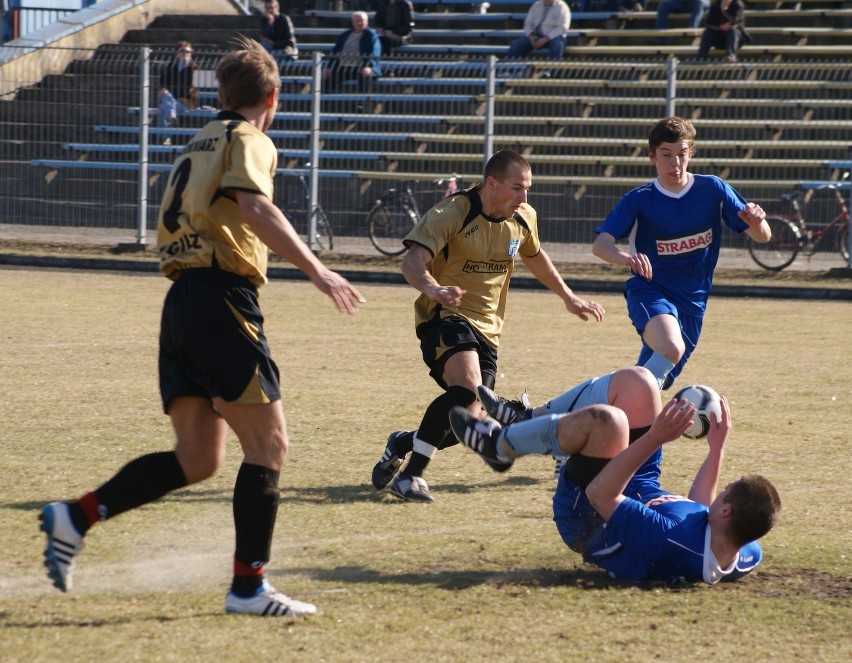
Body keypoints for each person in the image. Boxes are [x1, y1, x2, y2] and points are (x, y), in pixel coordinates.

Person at [38, 37, 366, 617]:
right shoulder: (249, 137)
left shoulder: (198, 138)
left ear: (221, 91)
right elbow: (253, 205)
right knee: (269, 446)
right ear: (274, 97)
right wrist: (319, 270)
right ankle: (248, 590)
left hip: (183, 302)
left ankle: (77, 515)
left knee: (198, 458)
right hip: (222, 300)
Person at [370, 149, 606, 503]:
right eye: (516, 188)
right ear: (491, 183)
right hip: (445, 316)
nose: (523, 197)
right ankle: (411, 477)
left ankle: (402, 442)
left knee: (467, 421)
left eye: (527, 189)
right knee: (468, 390)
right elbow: (412, 262)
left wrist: (569, 297)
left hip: (489, 330)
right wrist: (434, 288)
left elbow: (535, 256)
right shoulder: (452, 212)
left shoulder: (524, 217)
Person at [449, 385, 782, 584]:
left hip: (587, 516)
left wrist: (655, 437)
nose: (719, 491)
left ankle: (499, 444)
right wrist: (716, 448)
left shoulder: (668, 537)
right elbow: (700, 512)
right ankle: (523, 420)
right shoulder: (746, 550)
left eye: (724, 490)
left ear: (725, 510)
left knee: (610, 422)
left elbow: (601, 494)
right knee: (642, 384)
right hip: (638, 483)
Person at [591, 117, 771, 390]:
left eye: (681, 154)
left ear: (690, 154)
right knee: (670, 347)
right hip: (650, 291)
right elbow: (600, 245)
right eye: (666, 155)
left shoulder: (713, 189)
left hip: (693, 304)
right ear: (652, 156)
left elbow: (764, 236)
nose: (675, 163)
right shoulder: (639, 199)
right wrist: (627, 259)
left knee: (650, 383)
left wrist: (757, 222)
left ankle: (593, 413)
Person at [322, 11, 382, 91]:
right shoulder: (344, 35)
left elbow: (374, 53)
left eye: (361, 21)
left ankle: (362, 102)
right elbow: (335, 52)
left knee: (366, 77)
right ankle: (323, 101)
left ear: (367, 22)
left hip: (361, 68)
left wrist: (369, 66)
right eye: (357, 21)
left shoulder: (372, 36)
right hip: (343, 67)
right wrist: (329, 67)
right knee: (326, 79)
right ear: (353, 22)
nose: (359, 23)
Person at [506, 0, 572, 61]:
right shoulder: (536, 5)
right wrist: (531, 36)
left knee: (558, 45)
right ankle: (512, 71)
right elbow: (527, 24)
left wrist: (545, 39)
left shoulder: (562, 7)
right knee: (516, 44)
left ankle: (553, 71)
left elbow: (562, 28)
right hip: (535, 35)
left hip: (553, 37)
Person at [157, 41, 198, 135]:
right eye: (182, 51)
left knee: (162, 108)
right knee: (166, 97)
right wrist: (162, 90)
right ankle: (172, 117)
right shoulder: (170, 67)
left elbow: (197, 88)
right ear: (177, 53)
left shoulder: (194, 68)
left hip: (185, 102)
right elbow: (163, 83)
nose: (185, 53)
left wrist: (189, 101)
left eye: (188, 51)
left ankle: (162, 138)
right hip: (172, 100)